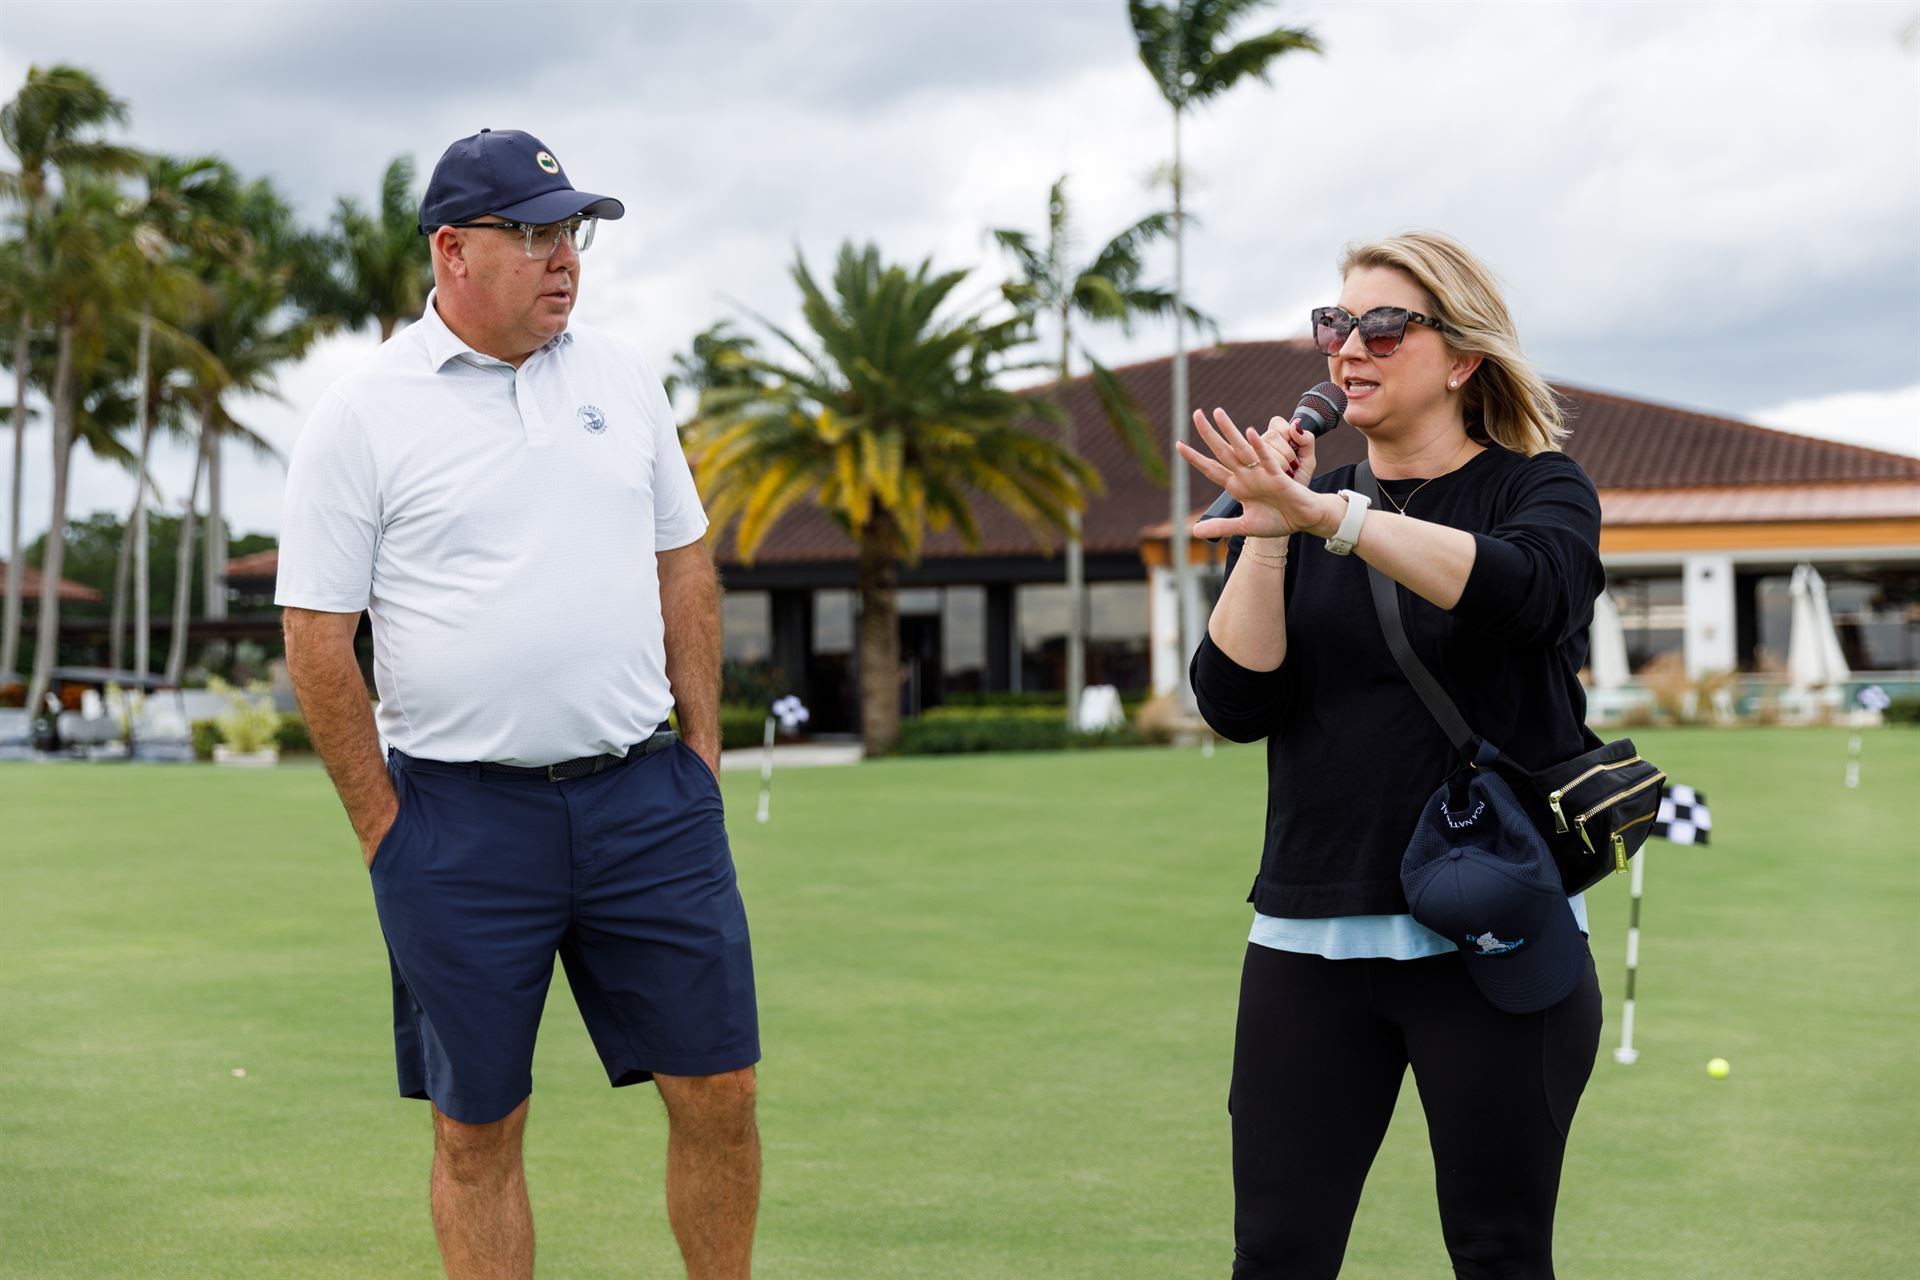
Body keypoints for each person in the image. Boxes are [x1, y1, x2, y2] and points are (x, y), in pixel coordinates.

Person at [277, 129, 759, 1280]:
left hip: (647, 802)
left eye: (572, 232)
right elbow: (316, 636)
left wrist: (700, 753)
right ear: (452, 249)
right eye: (536, 234)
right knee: (477, 1127)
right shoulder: (362, 412)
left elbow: (683, 563)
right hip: (459, 824)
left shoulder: (622, 376)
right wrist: (385, 830)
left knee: (722, 1091)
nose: (566, 257)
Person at [1179, 230, 1606, 1279]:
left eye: (1382, 326)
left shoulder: (1540, 489)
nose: (1348, 347)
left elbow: (1530, 591)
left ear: (1462, 360)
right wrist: (1271, 531)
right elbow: (1235, 702)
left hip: (1495, 933)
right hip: (1310, 933)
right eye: (1335, 323)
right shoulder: (1298, 507)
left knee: (1500, 1251)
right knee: (1276, 1253)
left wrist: (1333, 516)